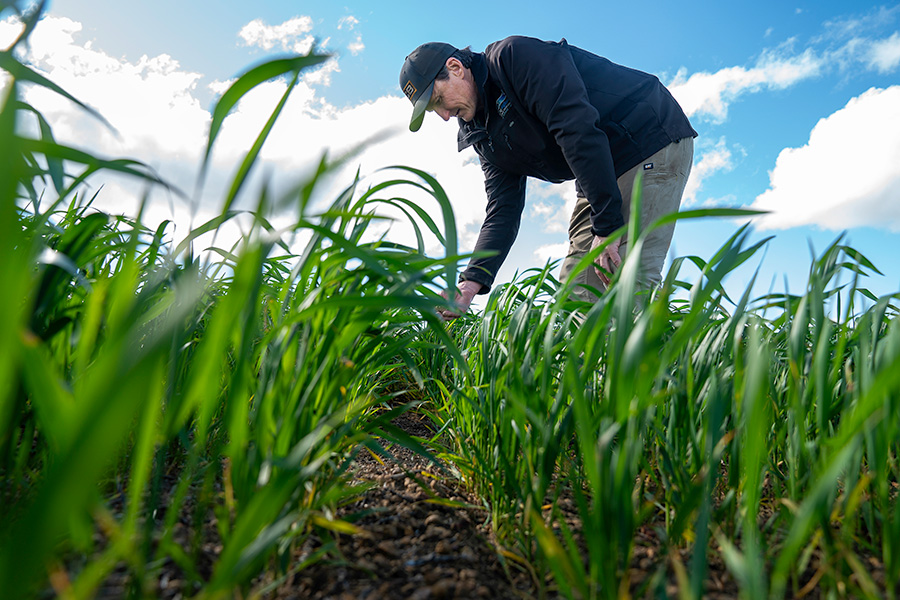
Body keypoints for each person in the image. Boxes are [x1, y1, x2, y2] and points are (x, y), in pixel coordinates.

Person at [399, 36, 697, 319]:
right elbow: (503, 208)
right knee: (577, 296)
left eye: (439, 100)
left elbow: (577, 129)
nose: (445, 116)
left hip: (644, 139)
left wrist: (606, 228)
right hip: (595, 170)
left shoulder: (514, 59)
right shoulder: (482, 134)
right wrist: (470, 283)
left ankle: (654, 363)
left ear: (455, 67)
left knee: (628, 280)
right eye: (434, 111)